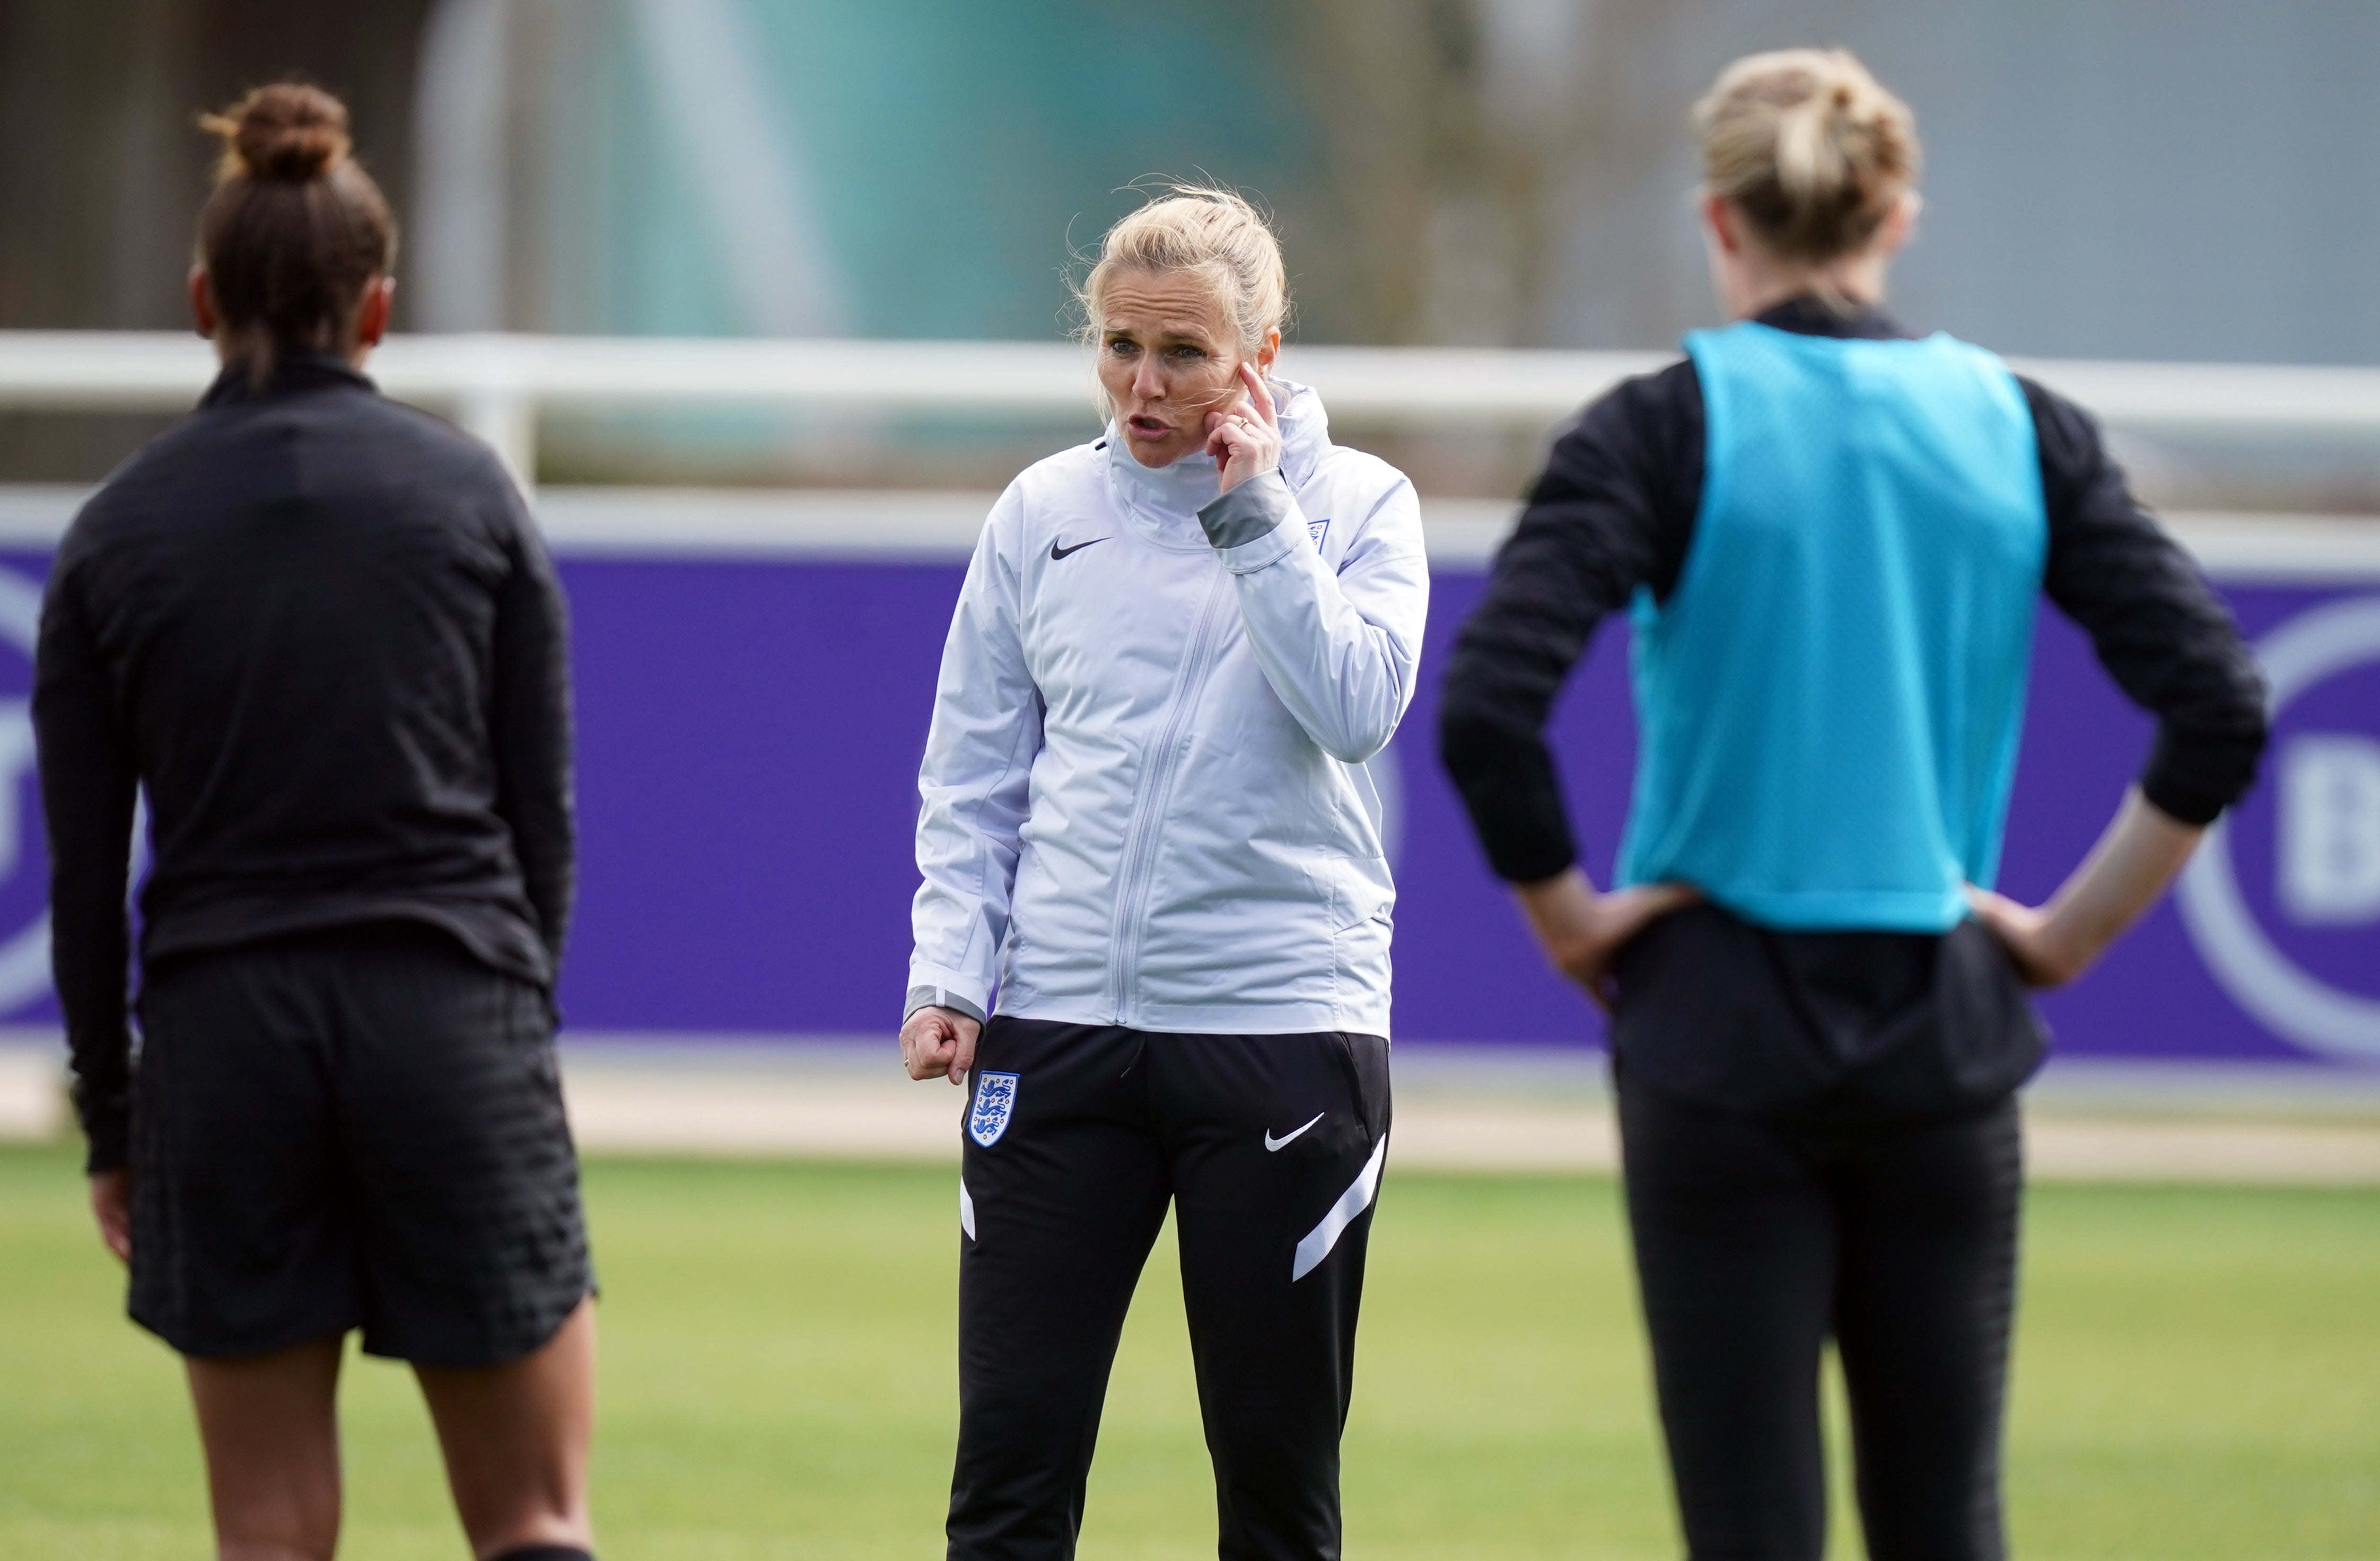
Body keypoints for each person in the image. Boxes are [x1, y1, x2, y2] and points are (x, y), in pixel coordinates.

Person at [1438, 49, 2267, 1561]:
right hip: (1944, 1031)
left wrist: (1573, 924)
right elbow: (2220, 704)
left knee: (1750, 1529)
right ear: (1896, 213)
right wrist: (2067, 937)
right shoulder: (2017, 425)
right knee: (1947, 1524)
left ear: (1720, 220)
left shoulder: (1658, 425)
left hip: (1711, 1028)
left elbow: (1490, 709)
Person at [32, 84, 596, 1561]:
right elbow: (543, 818)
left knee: (269, 1538)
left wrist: (115, 1122)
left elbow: (86, 883)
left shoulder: (113, 535)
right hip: (448, 1011)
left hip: (228, 1042)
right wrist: (508, 1028)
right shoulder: (472, 497)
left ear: (203, 300)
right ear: (381, 309)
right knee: (534, 1521)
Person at [899, 185, 1428, 1560]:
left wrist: (1258, 520)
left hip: (1280, 1040)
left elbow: (1356, 704)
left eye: (1184, 353)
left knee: (1273, 1486)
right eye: (1120, 347)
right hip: (1059, 1042)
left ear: (1263, 349)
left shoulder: (1360, 503)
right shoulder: (1044, 509)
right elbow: (973, 767)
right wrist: (952, 970)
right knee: (1007, 1474)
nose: (1144, 383)